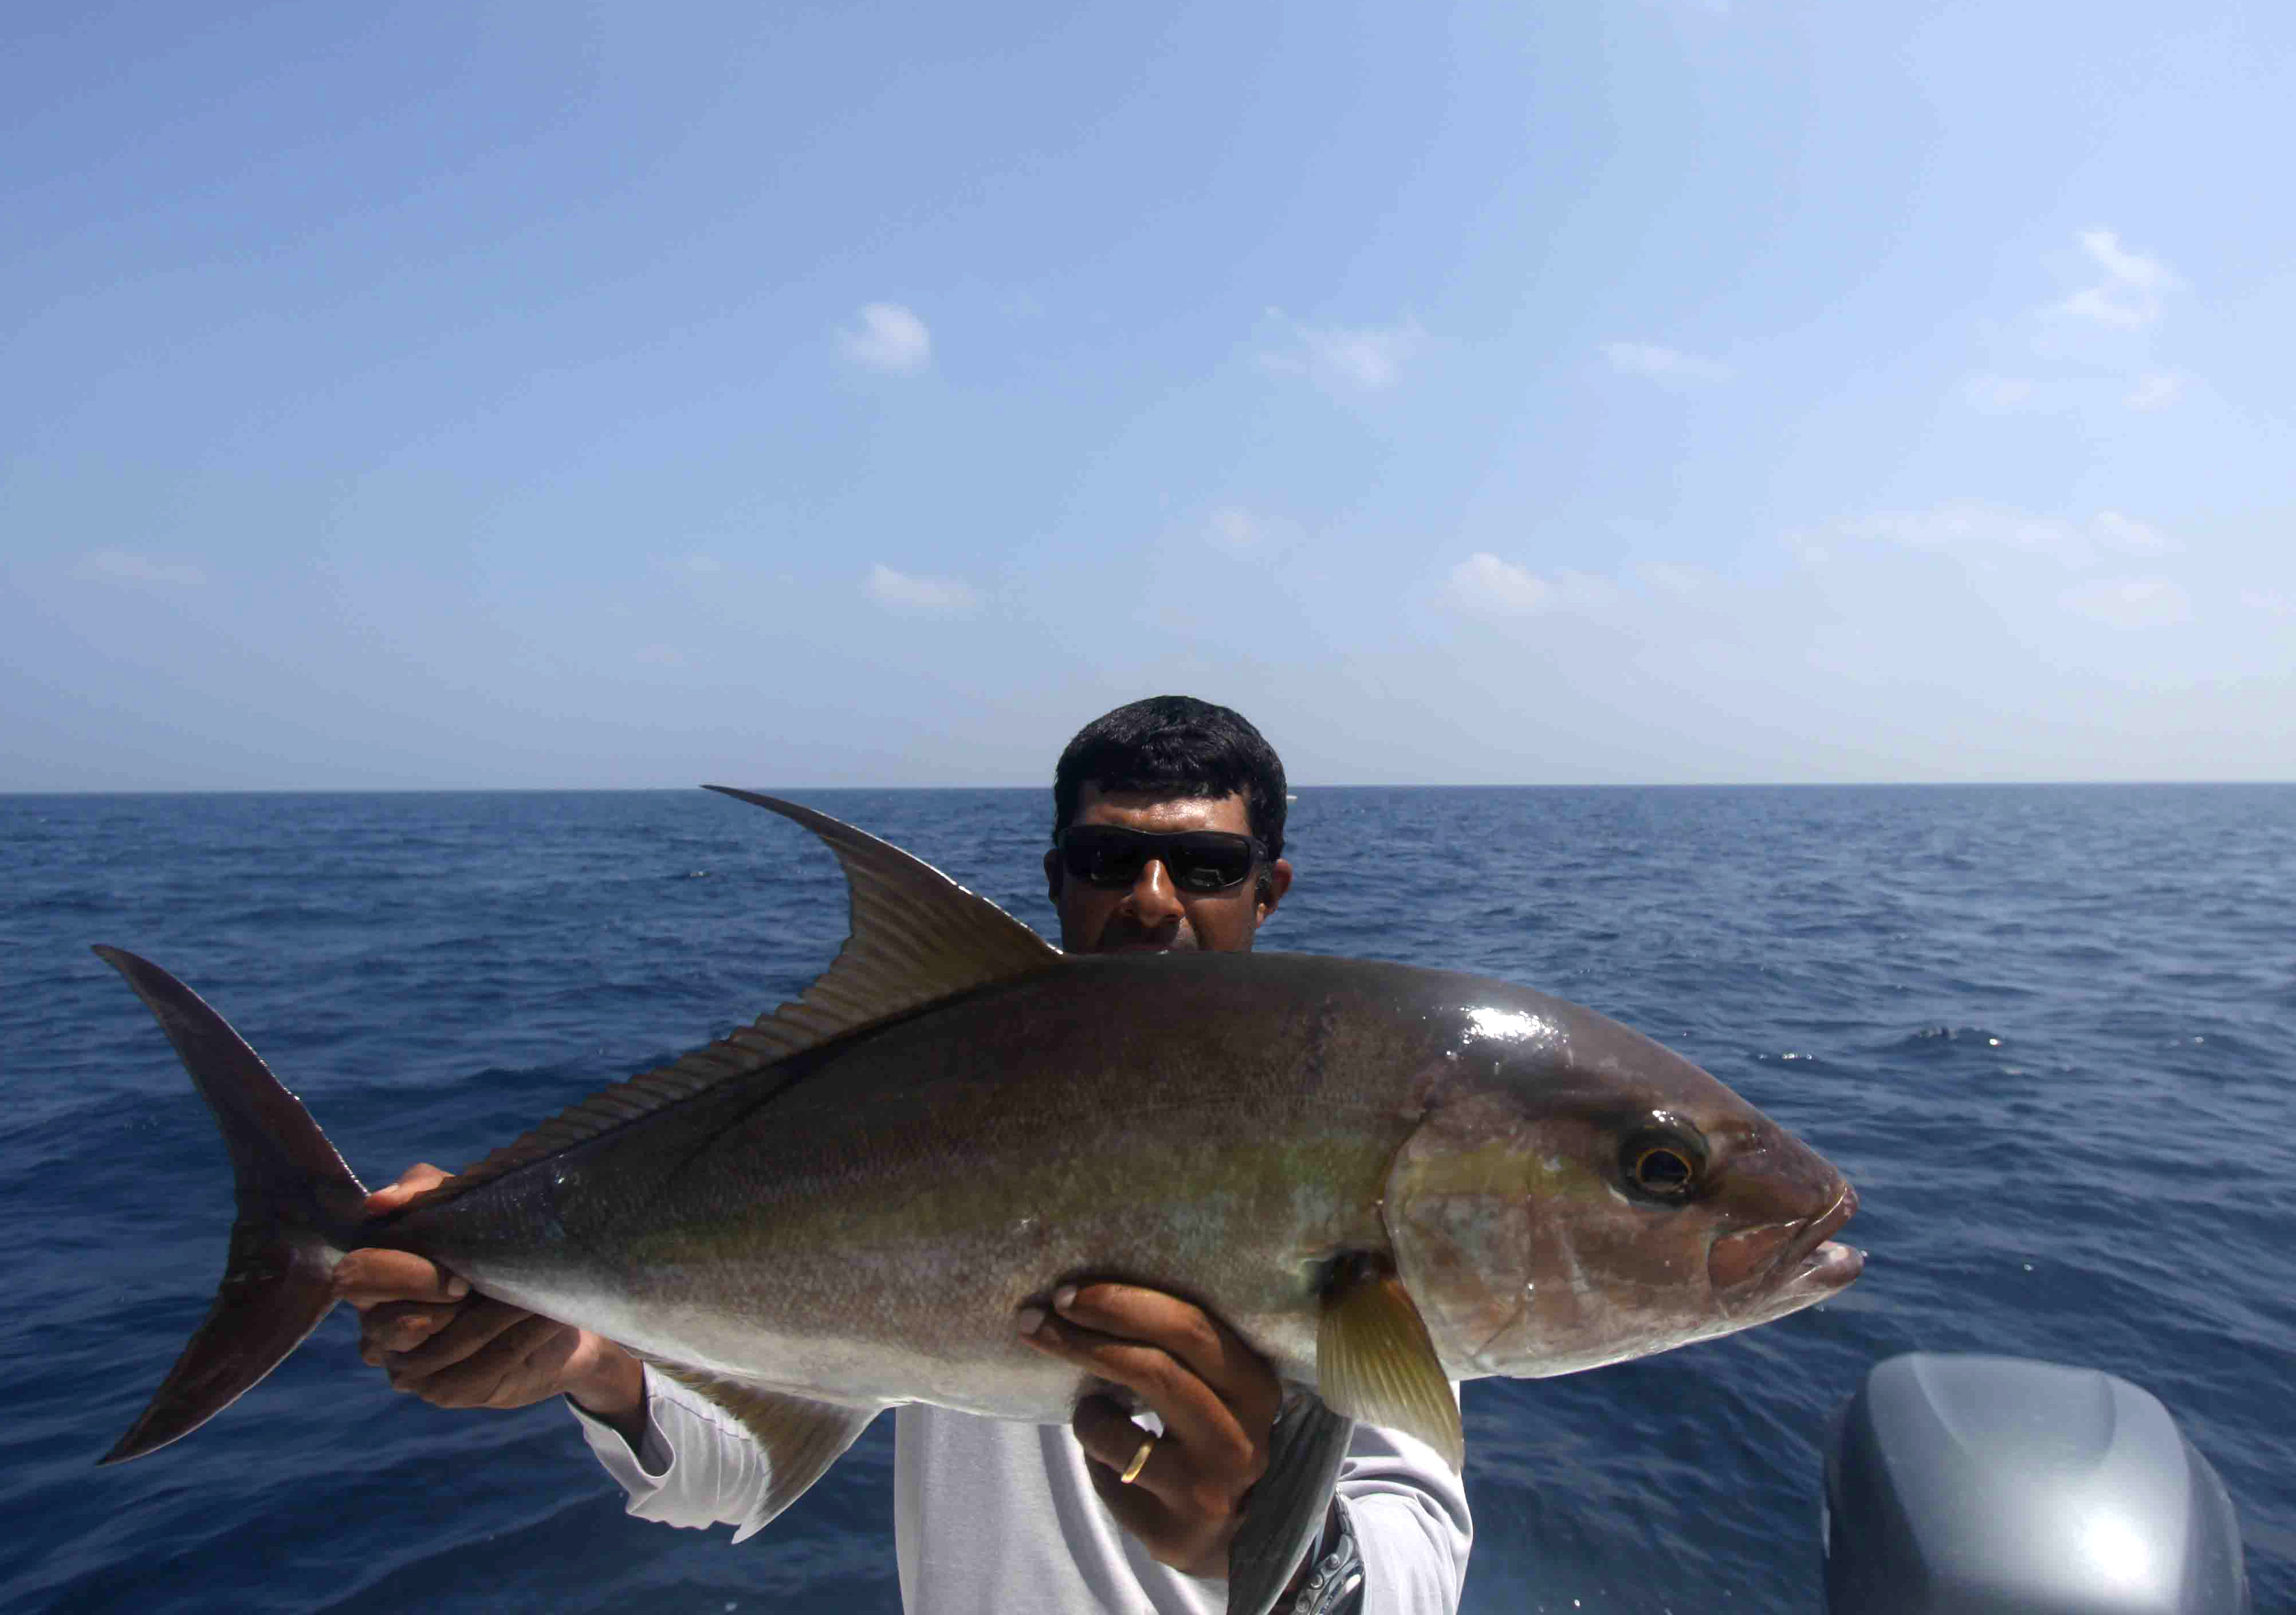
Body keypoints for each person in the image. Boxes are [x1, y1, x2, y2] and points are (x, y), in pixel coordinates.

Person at [333, 696, 1472, 1614]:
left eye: (1206, 867)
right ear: (1055, 877)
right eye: (1108, 858)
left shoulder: (1352, 1152)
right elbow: (737, 1467)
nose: (1153, 900)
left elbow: (1416, 1561)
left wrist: (1278, 1547)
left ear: (1268, 891)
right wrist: (594, 1368)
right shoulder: (932, 1110)